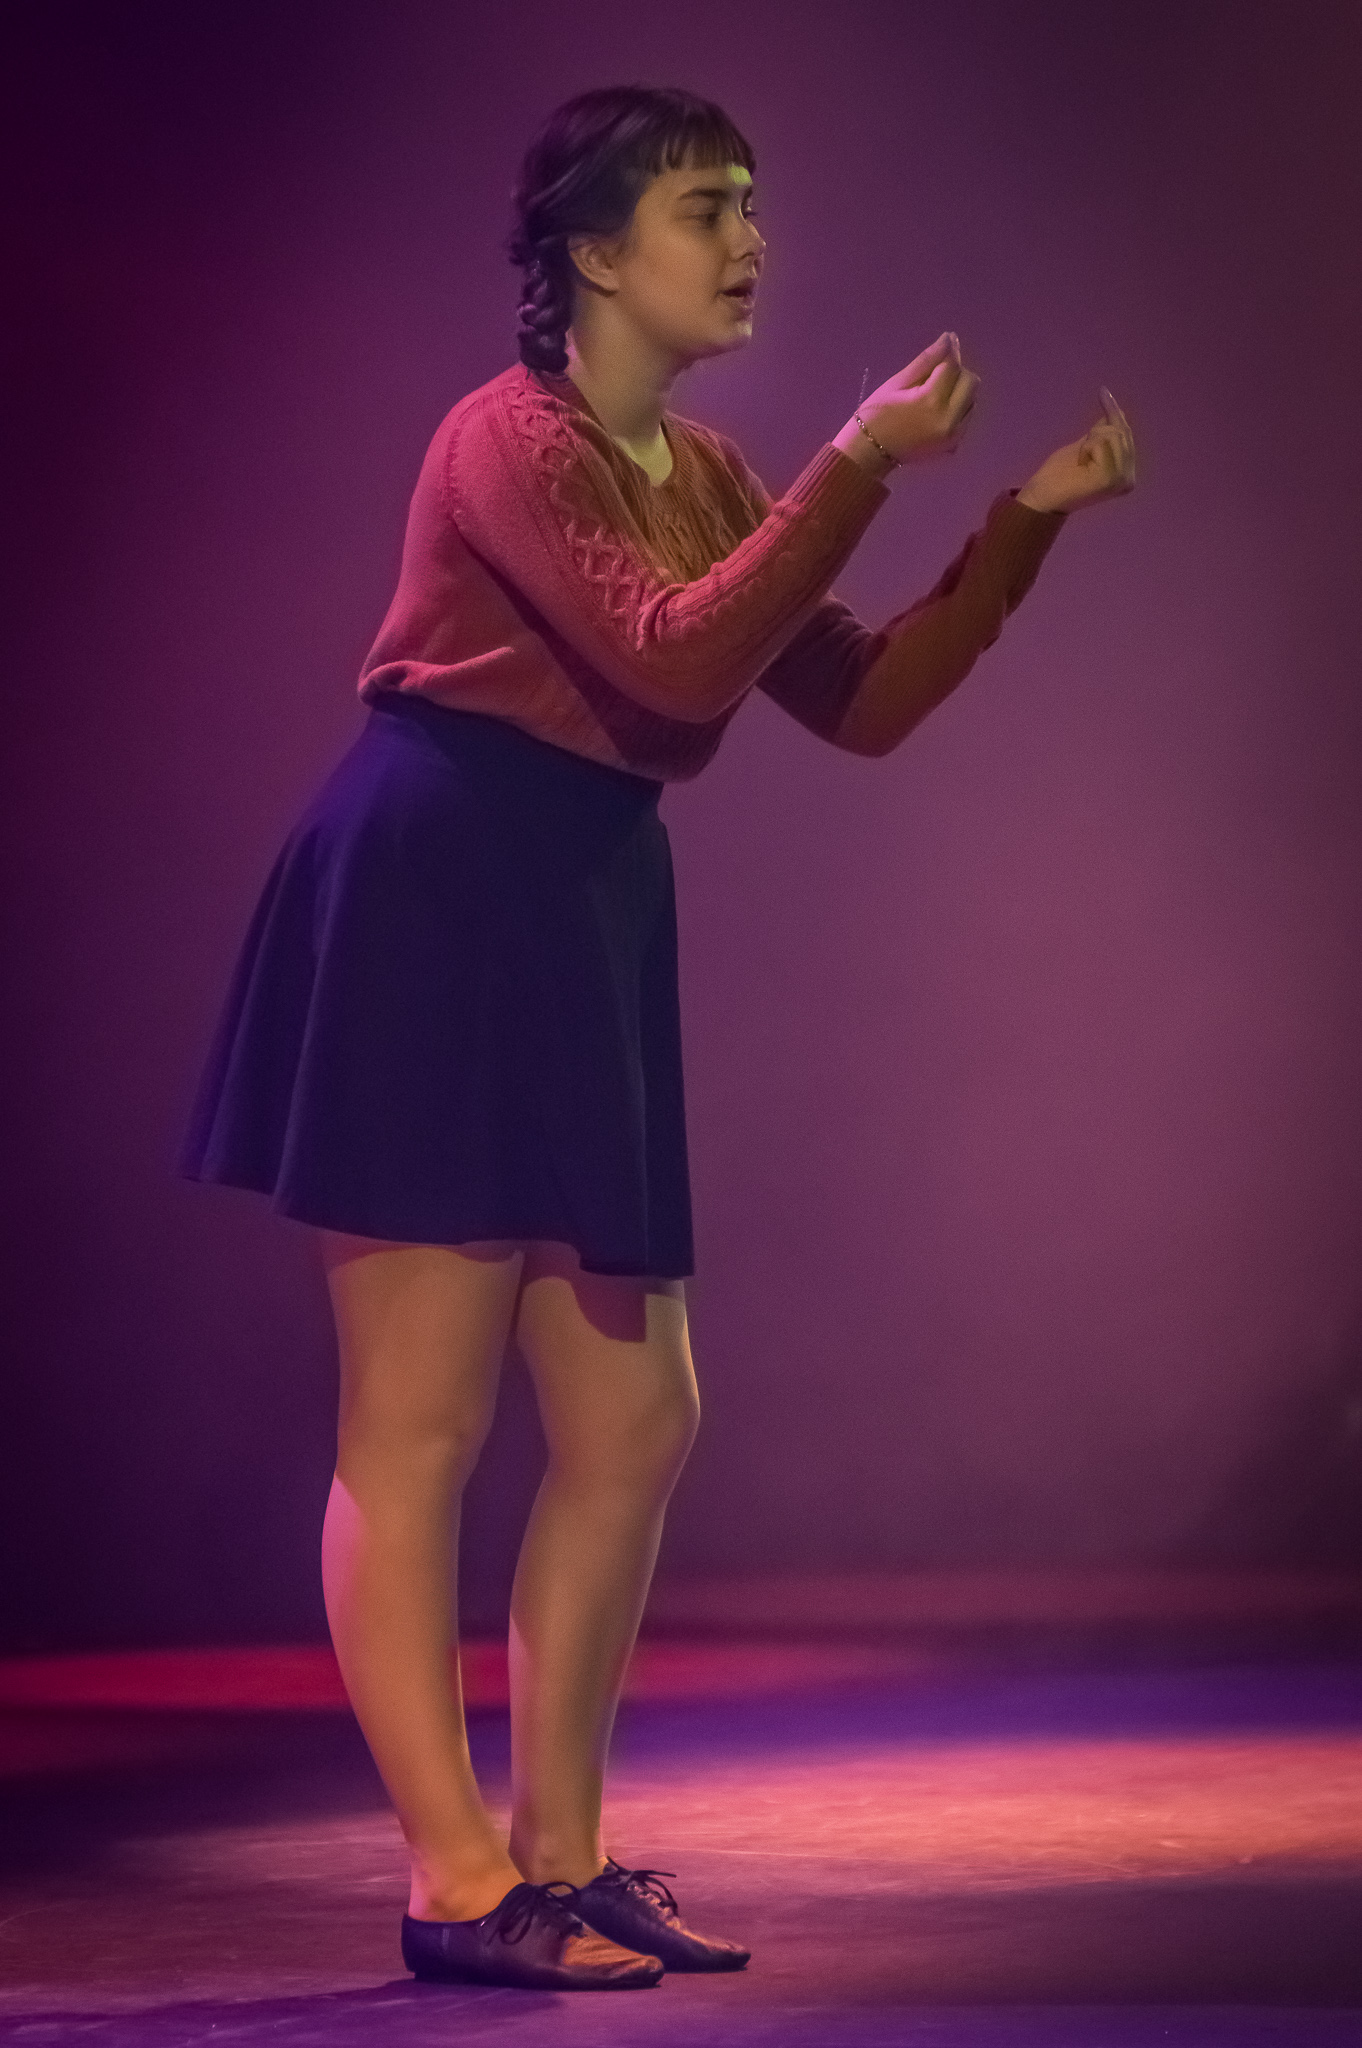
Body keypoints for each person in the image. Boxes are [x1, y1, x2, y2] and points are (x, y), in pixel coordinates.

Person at [179, 83, 1136, 1993]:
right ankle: (455, 1880)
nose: (747, 239)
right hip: (438, 892)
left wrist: (1020, 521)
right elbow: (672, 653)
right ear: (595, 253)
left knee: (633, 1413)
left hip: (584, 906)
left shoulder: (698, 470)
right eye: (706, 208)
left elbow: (853, 701)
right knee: (419, 1424)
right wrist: (856, 464)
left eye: (750, 203)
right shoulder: (500, 438)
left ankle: (564, 1851)